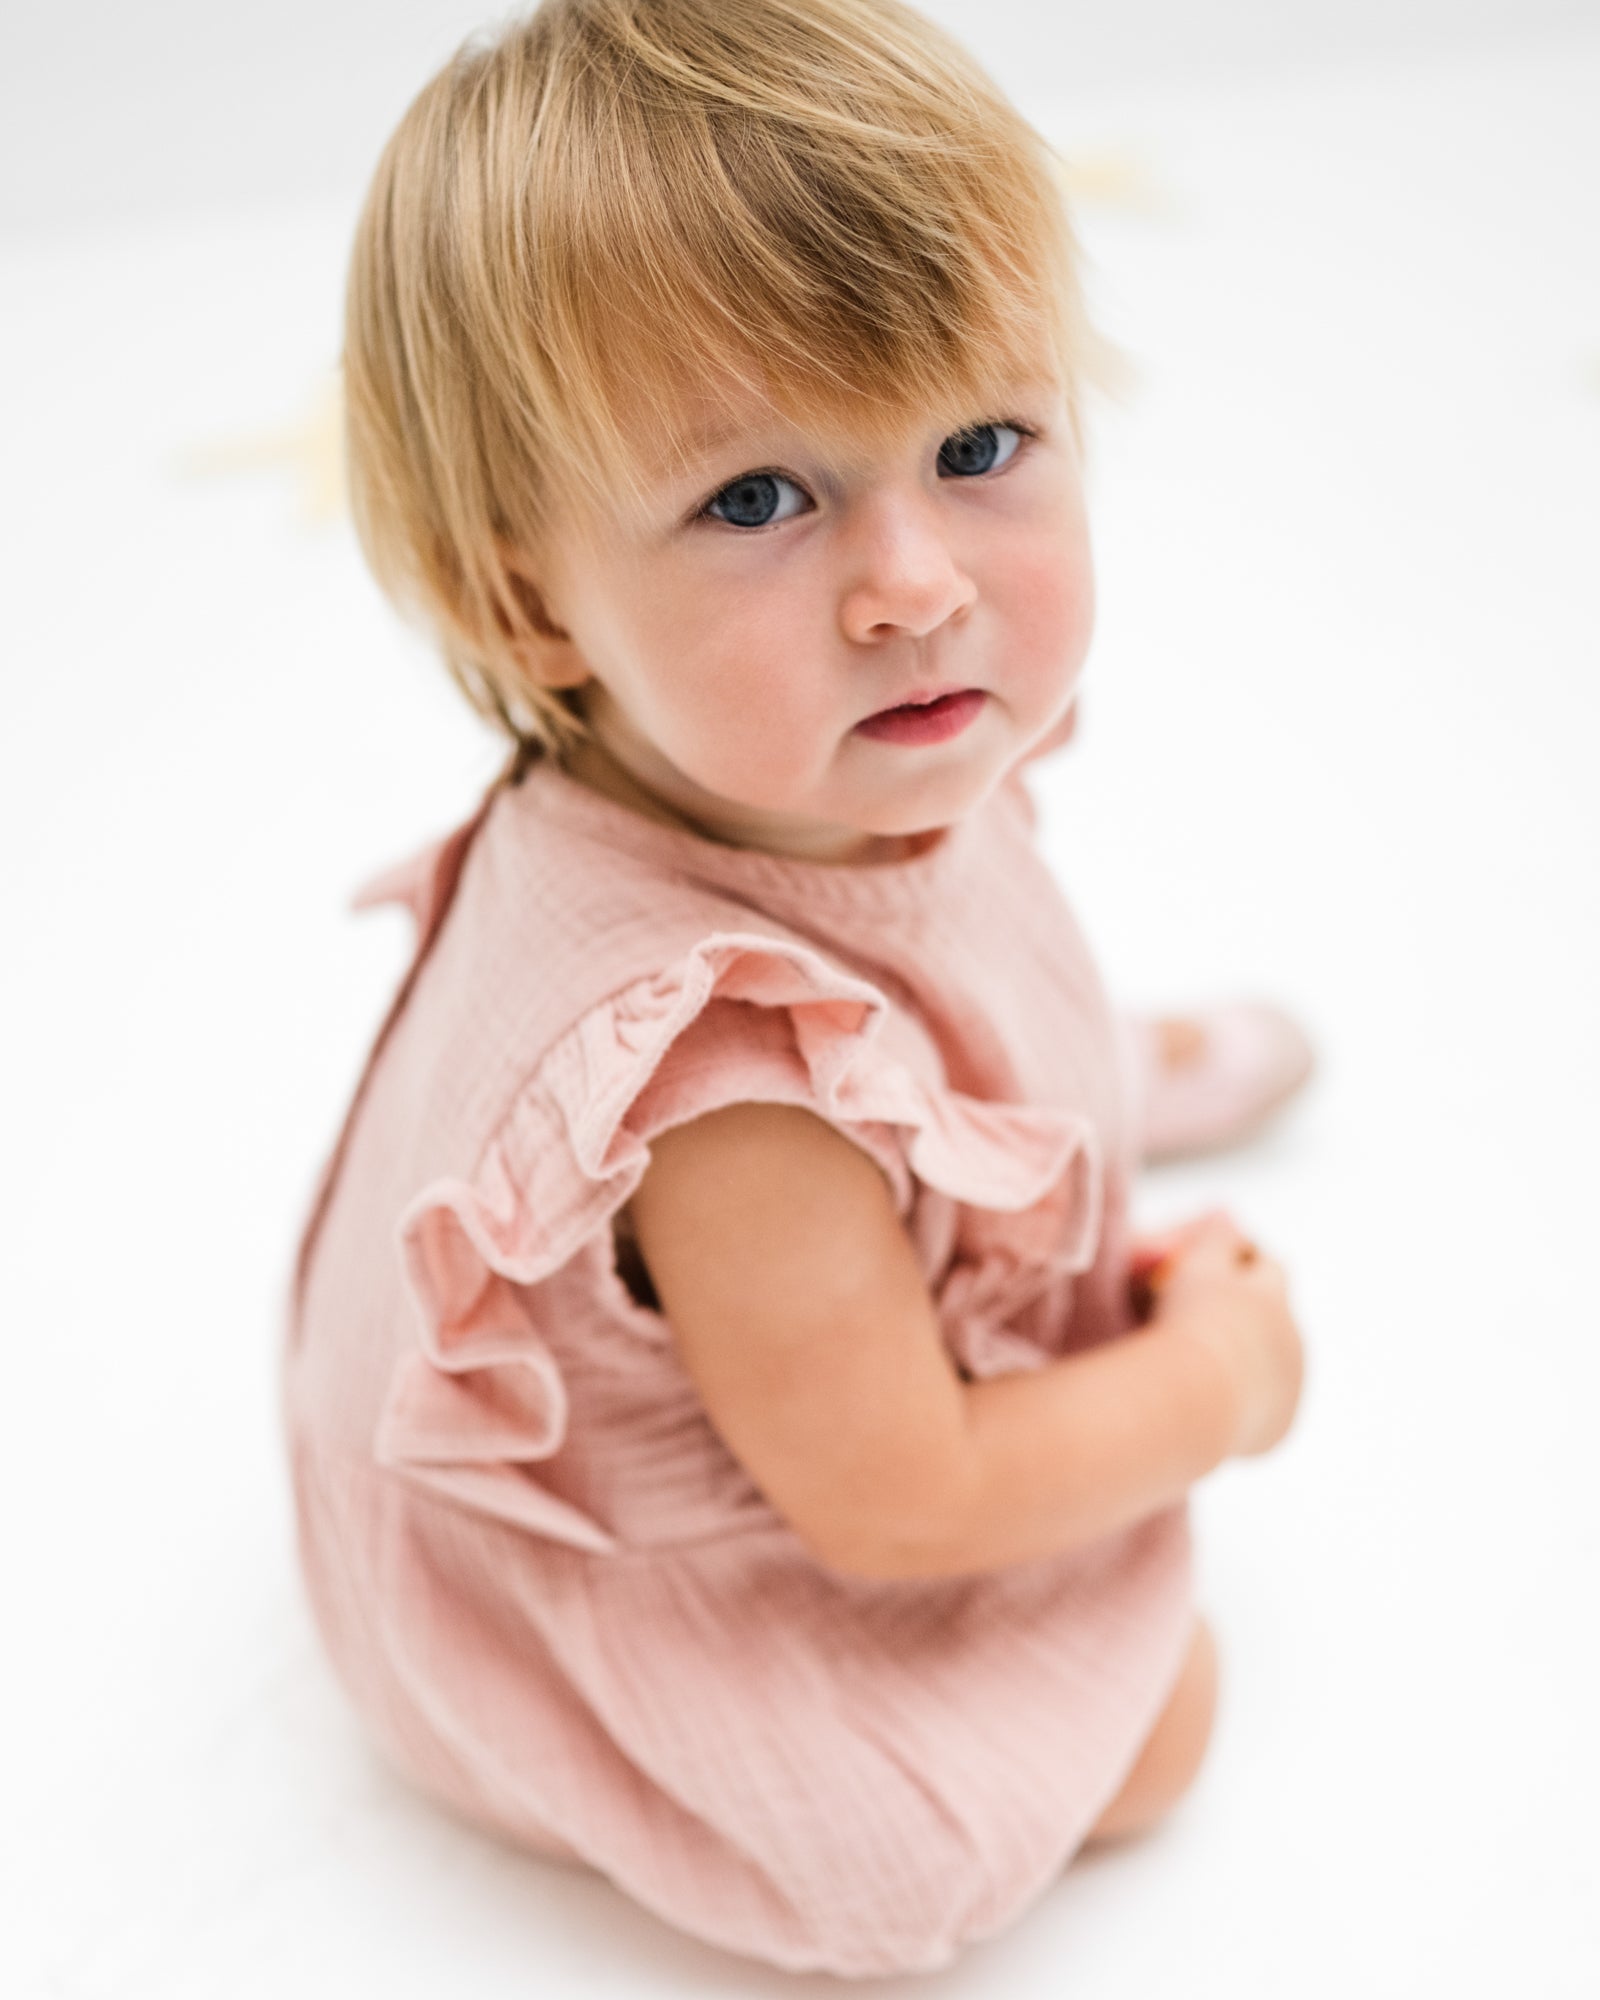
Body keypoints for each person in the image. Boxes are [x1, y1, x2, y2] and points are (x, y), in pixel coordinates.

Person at [282, 0, 1309, 1976]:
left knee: (942, 870)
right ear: (528, 606)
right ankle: (959, 1165)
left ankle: (1010, 1099)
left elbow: (915, 815)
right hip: (618, 1566)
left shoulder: (816, 745)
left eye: (977, 443)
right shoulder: (736, 1106)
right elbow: (901, 1503)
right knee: (1147, 1737)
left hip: (801, 1222)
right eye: (757, 499)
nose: (913, 579)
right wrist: (1210, 1385)